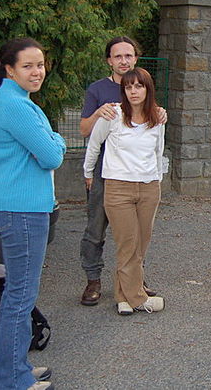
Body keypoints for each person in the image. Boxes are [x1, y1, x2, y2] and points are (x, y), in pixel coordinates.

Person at [0, 38, 66, 390]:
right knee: (20, 296)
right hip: (21, 210)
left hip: (16, 206)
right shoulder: (15, 105)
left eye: (40, 65)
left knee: (19, 294)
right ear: (9, 69)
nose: (37, 72)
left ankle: (17, 367)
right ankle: (11, 379)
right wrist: (57, 139)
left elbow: (44, 149)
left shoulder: (14, 100)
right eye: (28, 66)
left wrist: (50, 139)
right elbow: (52, 156)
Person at [78, 36, 166, 306]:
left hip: (140, 175)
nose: (123, 61)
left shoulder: (143, 85)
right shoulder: (98, 90)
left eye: (128, 55)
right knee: (96, 229)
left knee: (135, 235)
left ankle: (134, 282)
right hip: (107, 172)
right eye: (118, 56)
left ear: (136, 58)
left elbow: (156, 142)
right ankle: (93, 280)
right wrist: (98, 113)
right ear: (109, 61)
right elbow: (85, 131)